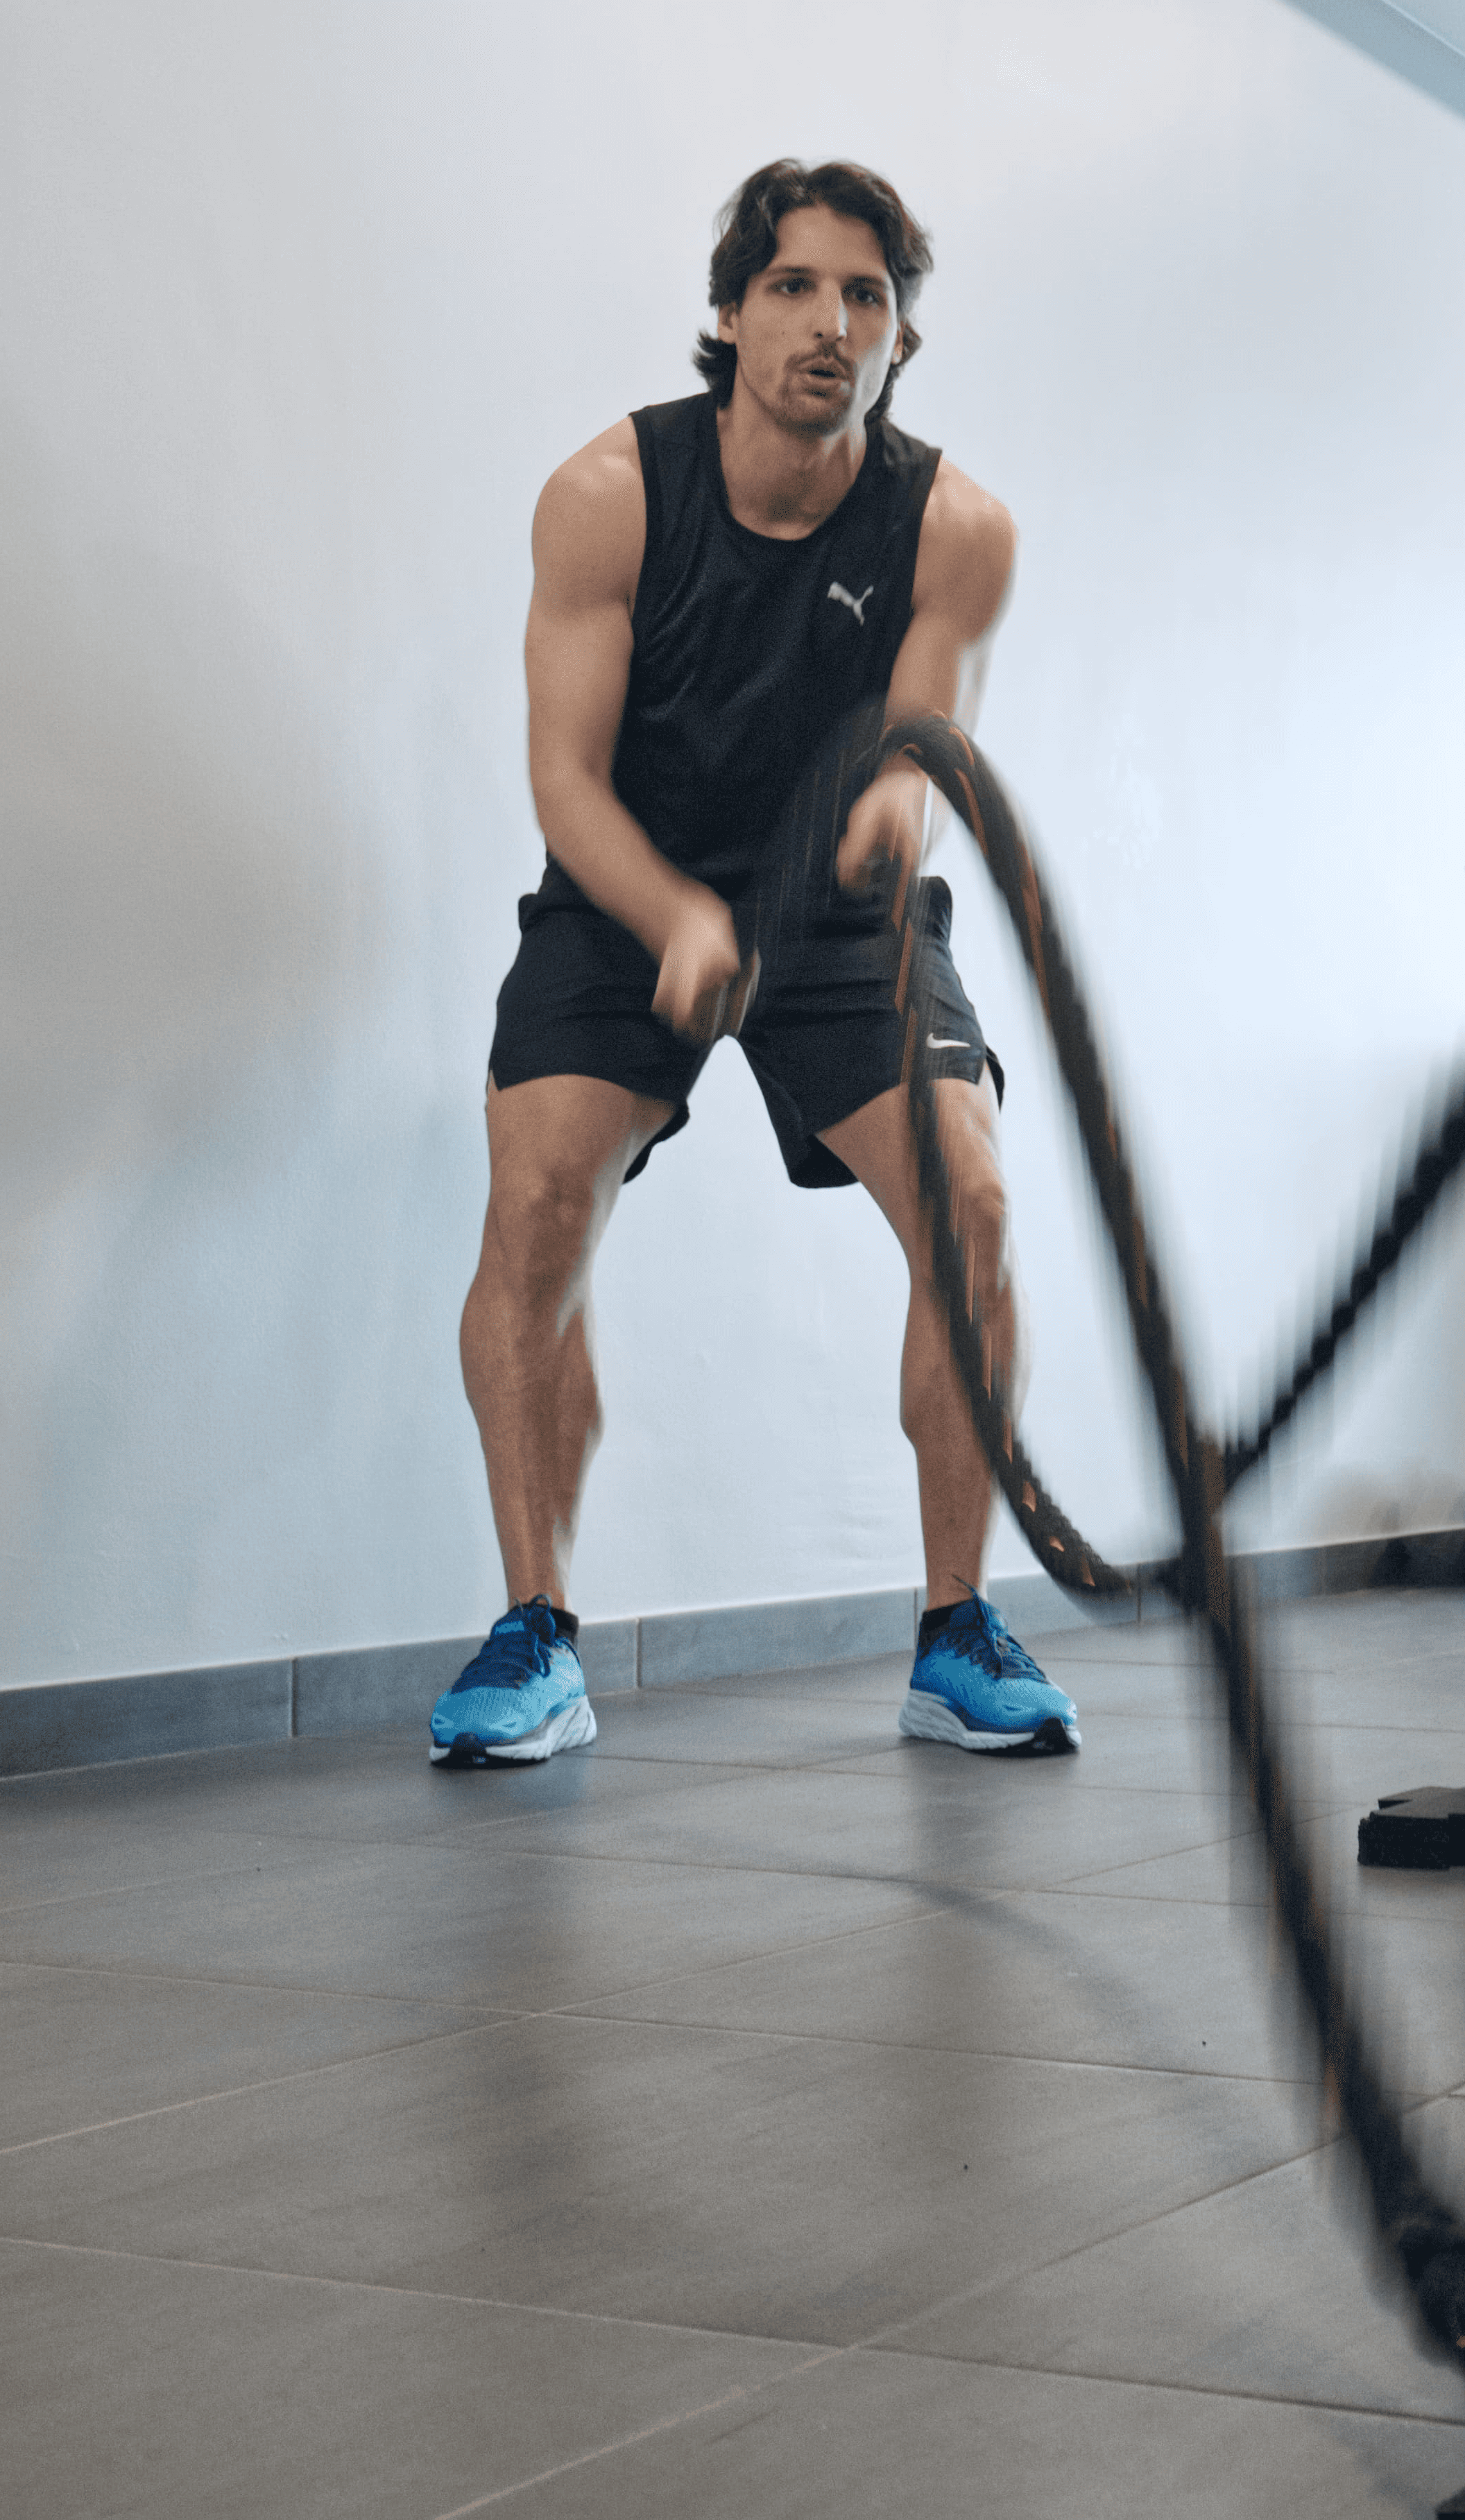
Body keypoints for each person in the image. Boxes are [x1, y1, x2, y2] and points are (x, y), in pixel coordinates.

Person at [428, 159, 1079, 1768]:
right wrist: (679, 919)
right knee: (539, 1200)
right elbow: (566, 781)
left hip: (841, 913)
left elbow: (921, 763)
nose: (831, 323)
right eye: (795, 285)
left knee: (975, 1204)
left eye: (869, 297)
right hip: (625, 889)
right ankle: (537, 1632)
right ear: (731, 311)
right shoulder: (610, 494)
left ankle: (954, 1630)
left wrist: (879, 834)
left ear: (900, 339)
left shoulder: (957, 528)